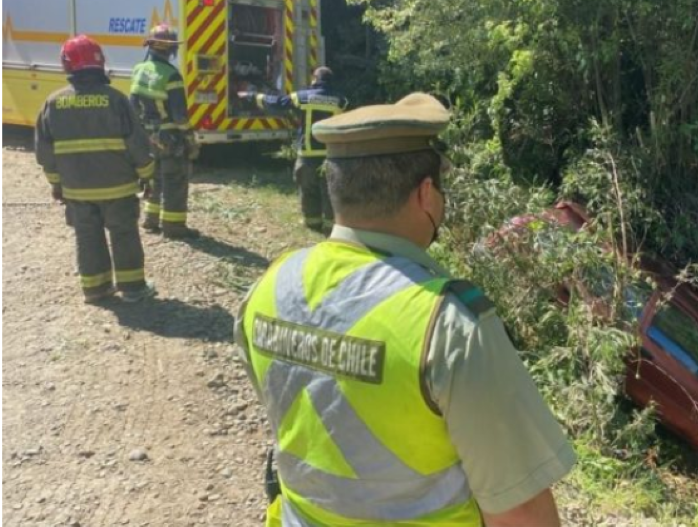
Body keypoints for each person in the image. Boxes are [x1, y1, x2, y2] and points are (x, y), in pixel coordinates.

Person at [233, 93, 576, 526]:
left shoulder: (270, 286)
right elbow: (520, 513)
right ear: (426, 194)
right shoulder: (450, 325)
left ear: (334, 187)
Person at [35, 35, 157, 303]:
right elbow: (137, 144)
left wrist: (56, 184)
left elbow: (45, 152)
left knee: (87, 237)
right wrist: (148, 176)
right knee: (124, 234)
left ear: (67, 65)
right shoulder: (117, 100)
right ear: (100, 63)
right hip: (119, 188)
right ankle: (133, 289)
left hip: (77, 191)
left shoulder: (53, 103)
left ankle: (95, 289)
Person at [238, 66, 347, 234]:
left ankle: (312, 223)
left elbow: (277, 103)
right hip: (330, 157)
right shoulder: (341, 101)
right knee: (329, 192)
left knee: (308, 190)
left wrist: (252, 96)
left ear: (315, 79)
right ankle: (330, 226)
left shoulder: (302, 97)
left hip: (307, 156)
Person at [130, 23, 200, 239]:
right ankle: (174, 227)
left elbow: (133, 107)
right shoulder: (171, 75)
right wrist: (189, 136)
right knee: (175, 180)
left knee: (155, 179)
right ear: (171, 48)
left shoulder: (138, 70)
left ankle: (151, 220)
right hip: (170, 138)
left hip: (148, 137)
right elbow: (179, 116)